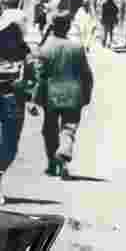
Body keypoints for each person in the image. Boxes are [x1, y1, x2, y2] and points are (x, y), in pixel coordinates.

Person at [31, 11, 93, 180]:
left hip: (52, 93)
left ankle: (52, 163)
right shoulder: (77, 48)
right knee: (69, 127)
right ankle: (64, 154)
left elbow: (40, 76)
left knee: (50, 128)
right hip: (73, 92)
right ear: (68, 27)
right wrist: (86, 95)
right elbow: (87, 74)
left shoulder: (45, 48)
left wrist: (34, 99)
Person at [0, 12, 35, 204]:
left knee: (10, 144)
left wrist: (31, 96)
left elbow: (32, 74)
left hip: (14, 98)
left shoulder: (23, 49)